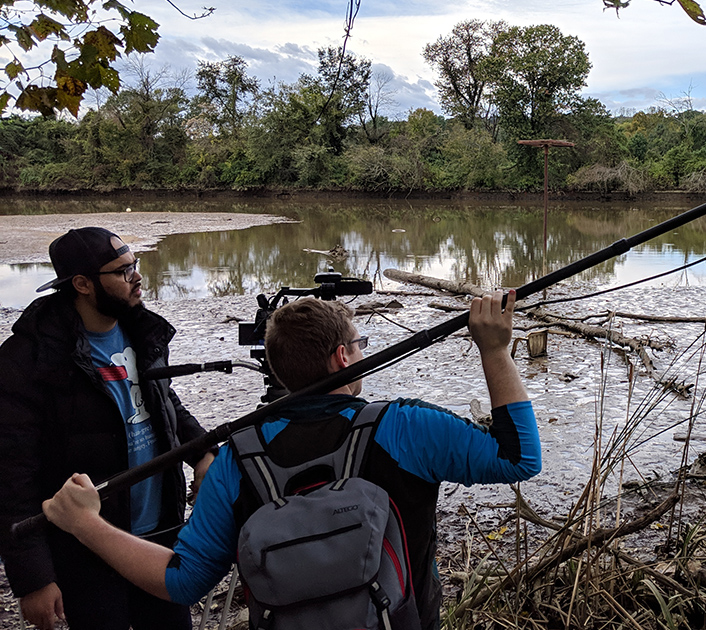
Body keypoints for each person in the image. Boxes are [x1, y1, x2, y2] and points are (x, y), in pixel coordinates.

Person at [43, 290, 541, 629]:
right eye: (358, 345)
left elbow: (181, 580)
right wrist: (495, 349)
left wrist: (87, 524)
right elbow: (518, 458)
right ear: (343, 358)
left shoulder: (239, 457)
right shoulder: (406, 426)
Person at [0, 227, 214, 630]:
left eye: (135, 265)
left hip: (159, 537)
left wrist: (203, 452)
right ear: (81, 284)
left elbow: (165, 401)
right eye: (121, 271)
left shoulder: (140, 330)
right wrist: (34, 578)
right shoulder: (28, 360)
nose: (136, 277)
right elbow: (11, 474)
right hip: (86, 547)